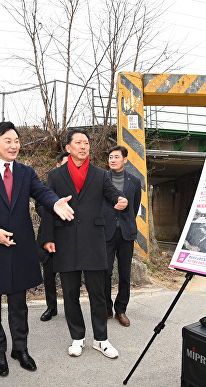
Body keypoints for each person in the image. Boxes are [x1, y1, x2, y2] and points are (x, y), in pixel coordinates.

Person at [0, 122, 74, 377]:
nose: (14, 146)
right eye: (8, 141)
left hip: (18, 247)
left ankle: (20, 348)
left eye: (16, 140)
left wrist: (55, 203)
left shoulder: (26, 172)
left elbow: (42, 193)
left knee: (18, 302)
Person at [41, 128, 128, 359]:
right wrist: (48, 237)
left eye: (86, 143)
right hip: (65, 240)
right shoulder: (56, 176)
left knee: (97, 294)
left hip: (93, 241)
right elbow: (47, 207)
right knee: (70, 293)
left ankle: (101, 339)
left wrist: (120, 200)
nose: (83, 146)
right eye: (78, 143)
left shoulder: (100, 174)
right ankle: (77, 338)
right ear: (68, 148)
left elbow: (112, 194)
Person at [104, 146, 141, 327]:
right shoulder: (102, 179)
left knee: (124, 274)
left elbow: (134, 206)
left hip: (126, 232)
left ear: (125, 160)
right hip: (107, 233)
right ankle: (106, 308)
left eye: (116, 157)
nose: (112, 160)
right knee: (106, 272)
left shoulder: (134, 181)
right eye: (110, 157)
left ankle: (121, 310)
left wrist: (126, 221)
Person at [36, 150, 69, 322]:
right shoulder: (45, 184)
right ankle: (51, 307)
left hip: (68, 237)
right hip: (49, 235)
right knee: (48, 275)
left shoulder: (75, 186)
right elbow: (39, 207)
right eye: (64, 164)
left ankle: (71, 307)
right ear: (57, 165)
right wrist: (56, 211)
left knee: (69, 276)